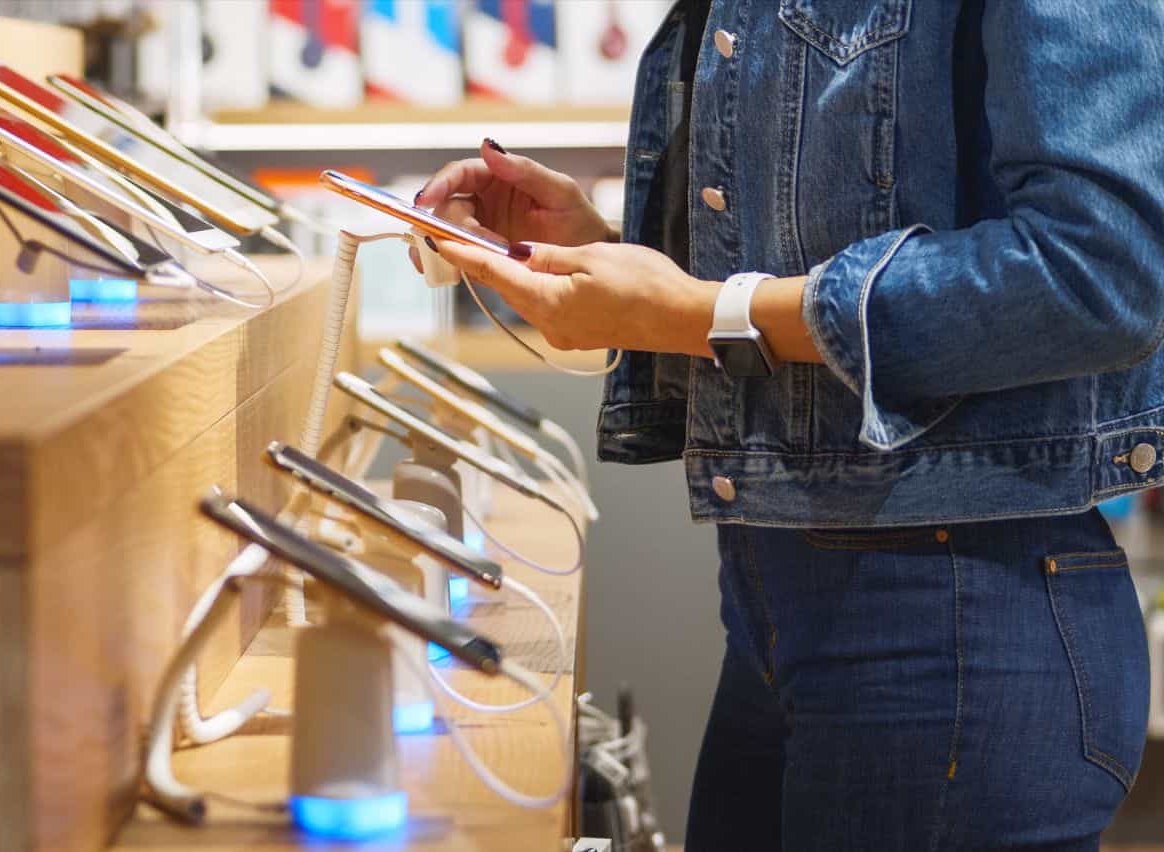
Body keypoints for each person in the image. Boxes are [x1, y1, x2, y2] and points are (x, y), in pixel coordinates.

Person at [414, 1, 1164, 848]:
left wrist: (692, 314)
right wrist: (609, 256)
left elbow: (1100, 275)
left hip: (957, 613)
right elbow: (817, 243)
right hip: (787, 598)